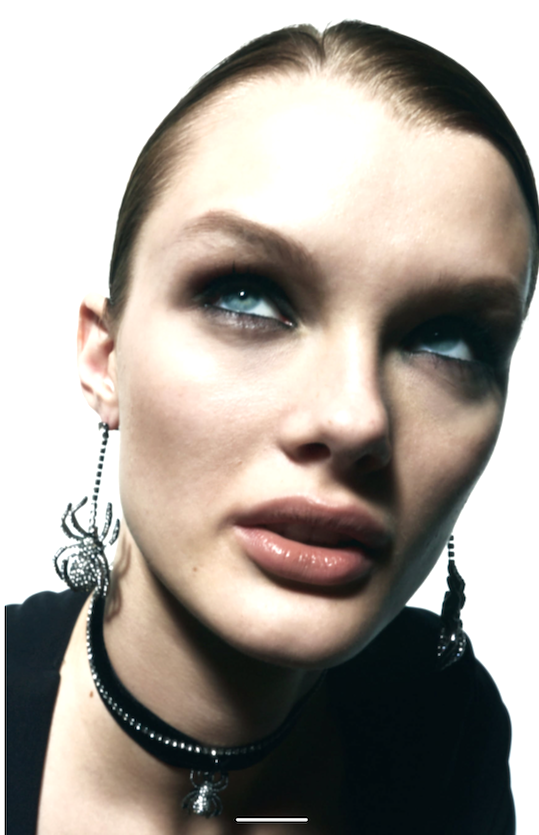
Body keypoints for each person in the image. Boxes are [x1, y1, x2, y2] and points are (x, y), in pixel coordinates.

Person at [7, 20, 536, 835]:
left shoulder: (443, 727)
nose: (355, 419)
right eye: (246, 297)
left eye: (448, 340)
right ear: (104, 357)